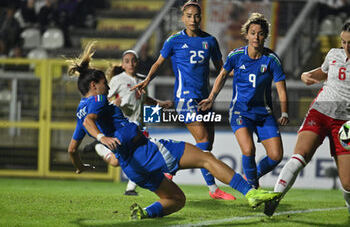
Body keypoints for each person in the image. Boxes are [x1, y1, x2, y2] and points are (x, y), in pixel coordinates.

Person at [67, 41, 282, 220]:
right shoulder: (97, 99)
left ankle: (144, 214)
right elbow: (89, 121)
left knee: (176, 200)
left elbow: (72, 148)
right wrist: (101, 137)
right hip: (145, 151)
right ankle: (250, 193)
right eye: (104, 83)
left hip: (132, 167)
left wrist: (79, 166)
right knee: (206, 157)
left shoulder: (80, 109)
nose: (106, 87)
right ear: (94, 85)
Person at [131, 0, 235, 200]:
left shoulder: (210, 41)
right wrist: (147, 80)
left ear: (201, 17)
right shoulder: (174, 40)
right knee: (203, 140)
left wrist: (237, 70)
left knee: (206, 146)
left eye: (196, 16)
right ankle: (213, 189)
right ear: (183, 18)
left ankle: (171, 171)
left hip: (205, 99)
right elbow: (159, 63)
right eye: (189, 16)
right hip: (184, 98)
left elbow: (220, 69)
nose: (193, 20)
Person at [264, 19, 350, 217]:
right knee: (299, 155)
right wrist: (307, 75)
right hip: (320, 112)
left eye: (349, 43)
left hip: (345, 122)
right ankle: (274, 198)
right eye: (343, 41)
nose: (345, 46)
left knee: (347, 183)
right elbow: (322, 73)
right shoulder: (333, 54)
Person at [199, 13, 289, 189]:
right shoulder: (236, 56)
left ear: (265, 35)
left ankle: (248, 176)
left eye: (260, 33)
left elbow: (281, 90)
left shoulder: (272, 60)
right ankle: (253, 190)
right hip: (241, 112)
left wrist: (284, 111)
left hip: (264, 114)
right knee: (248, 150)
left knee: (276, 156)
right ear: (246, 34)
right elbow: (222, 75)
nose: (256, 37)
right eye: (253, 32)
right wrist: (211, 97)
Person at [83, 49, 172, 196]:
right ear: (123, 65)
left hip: (138, 125)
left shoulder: (143, 79)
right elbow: (104, 99)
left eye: (133, 60)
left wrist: (160, 103)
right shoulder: (118, 80)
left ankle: (130, 189)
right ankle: (100, 147)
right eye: (127, 61)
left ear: (138, 62)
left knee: (141, 155)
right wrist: (114, 103)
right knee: (116, 161)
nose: (131, 63)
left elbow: (145, 99)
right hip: (122, 126)